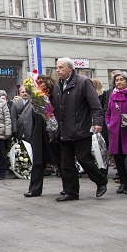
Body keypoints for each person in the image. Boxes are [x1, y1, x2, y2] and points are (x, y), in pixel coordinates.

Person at [52, 57, 108, 201]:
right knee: (66, 163)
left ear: (70, 68)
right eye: (57, 68)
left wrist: (97, 122)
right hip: (63, 130)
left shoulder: (83, 82)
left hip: (80, 128)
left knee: (84, 159)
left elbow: (95, 105)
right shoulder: (58, 86)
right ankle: (71, 192)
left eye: (61, 68)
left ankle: (101, 180)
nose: (58, 70)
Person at [24, 75, 62, 197]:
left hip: (52, 132)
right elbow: (34, 118)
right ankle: (34, 189)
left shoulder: (55, 96)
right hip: (39, 134)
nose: (41, 83)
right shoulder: (36, 97)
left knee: (60, 161)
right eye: (38, 82)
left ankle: (69, 187)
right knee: (38, 162)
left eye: (43, 81)